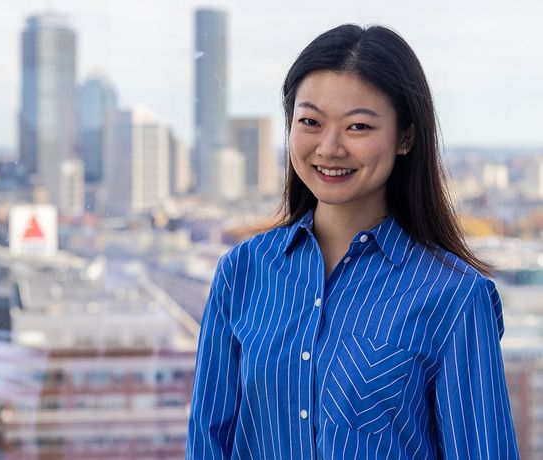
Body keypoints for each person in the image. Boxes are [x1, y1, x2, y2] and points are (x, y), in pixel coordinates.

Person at [186, 24, 520, 459]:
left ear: (406, 137)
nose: (329, 147)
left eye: (358, 126)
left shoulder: (455, 297)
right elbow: (207, 443)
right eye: (310, 122)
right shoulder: (242, 272)